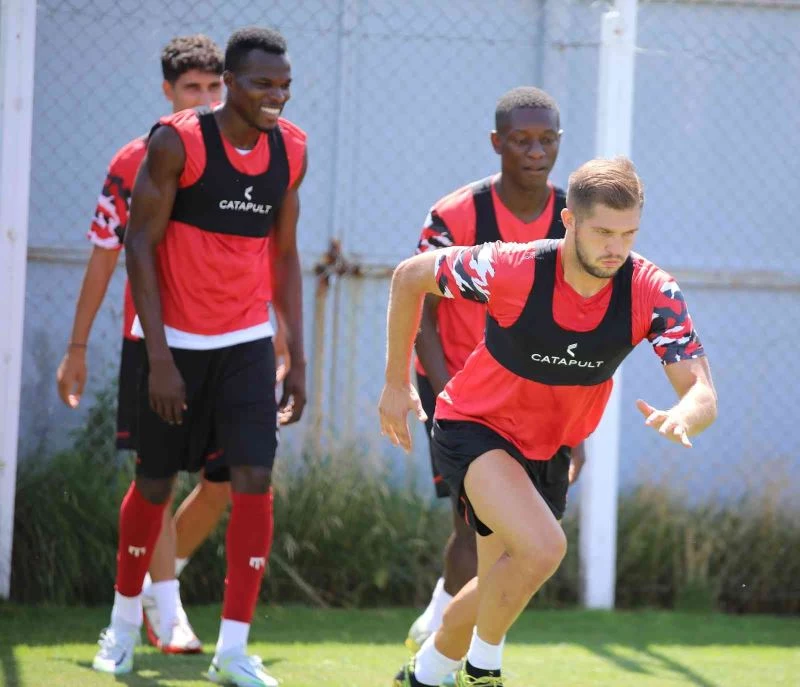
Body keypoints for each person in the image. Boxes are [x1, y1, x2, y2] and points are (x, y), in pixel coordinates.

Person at [380, 157, 717, 687]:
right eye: (603, 232)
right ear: (569, 221)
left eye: (628, 234)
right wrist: (396, 383)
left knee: (498, 579)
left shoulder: (652, 291)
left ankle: (424, 672)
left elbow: (701, 391)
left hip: (548, 448)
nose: (616, 247)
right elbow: (410, 276)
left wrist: (685, 415)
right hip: (473, 425)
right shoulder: (510, 267)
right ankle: (483, 670)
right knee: (544, 548)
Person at [91, 26, 307, 687]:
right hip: (172, 345)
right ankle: (123, 624)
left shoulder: (292, 148)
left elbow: (285, 254)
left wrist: (296, 354)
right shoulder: (175, 142)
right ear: (230, 84)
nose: (276, 96)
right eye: (262, 84)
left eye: (284, 85)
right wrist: (158, 357)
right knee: (155, 484)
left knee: (254, 479)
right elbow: (137, 244)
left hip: (245, 343)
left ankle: (233, 650)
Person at [56, 34, 226, 653]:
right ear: (167, 92)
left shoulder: (250, 151)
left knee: (230, 478)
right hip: (155, 344)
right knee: (158, 477)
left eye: (214, 86)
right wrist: (76, 347)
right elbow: (105, 255)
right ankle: (168, 609)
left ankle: (157, 584)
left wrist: (279, 339)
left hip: (231, 342)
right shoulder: (136, 159)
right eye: (191, 88)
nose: (204, 99)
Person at [408, 86, 586, 659]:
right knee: (475, 524)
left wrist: (575, 427)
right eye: (521, 140)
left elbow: (580, 326)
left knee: (517, 534)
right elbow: (421, 315)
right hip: (459, 391)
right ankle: (454, 652)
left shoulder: (574, 219)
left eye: (547, 140)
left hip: (536, 396)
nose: (535, 152)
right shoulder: (456, 214)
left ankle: (440, 624)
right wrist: (446, 399)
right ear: (496, 143)